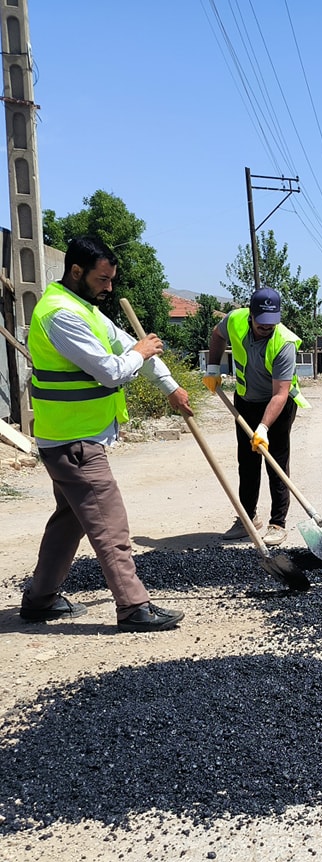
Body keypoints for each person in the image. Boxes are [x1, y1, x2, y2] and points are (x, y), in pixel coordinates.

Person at [20, 235, 192, 631]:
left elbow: (127, 346)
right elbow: (112, 369)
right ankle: (133, 607)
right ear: (76, 271)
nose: (109, 287)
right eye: (102, 278)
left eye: (111, 280)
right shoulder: (60, 315)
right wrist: (142, 351)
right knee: (110, 523)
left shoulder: (86, 309)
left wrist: (172, 389)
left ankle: (40, 599)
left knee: (70, 521)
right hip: (73, 441)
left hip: (75, 437)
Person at [204, 287, 309, 546]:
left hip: (278, 406)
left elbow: (280, 393)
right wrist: (213, 367)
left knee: (276, 462)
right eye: (262, 323)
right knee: (247, 463)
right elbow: (217, 335)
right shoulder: (235, 320)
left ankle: (278, 523)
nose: (267, 328)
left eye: (272, 323)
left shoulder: (283, 343)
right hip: (246, 401)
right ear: (251, 315)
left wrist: (263, 427)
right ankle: (247, 519)